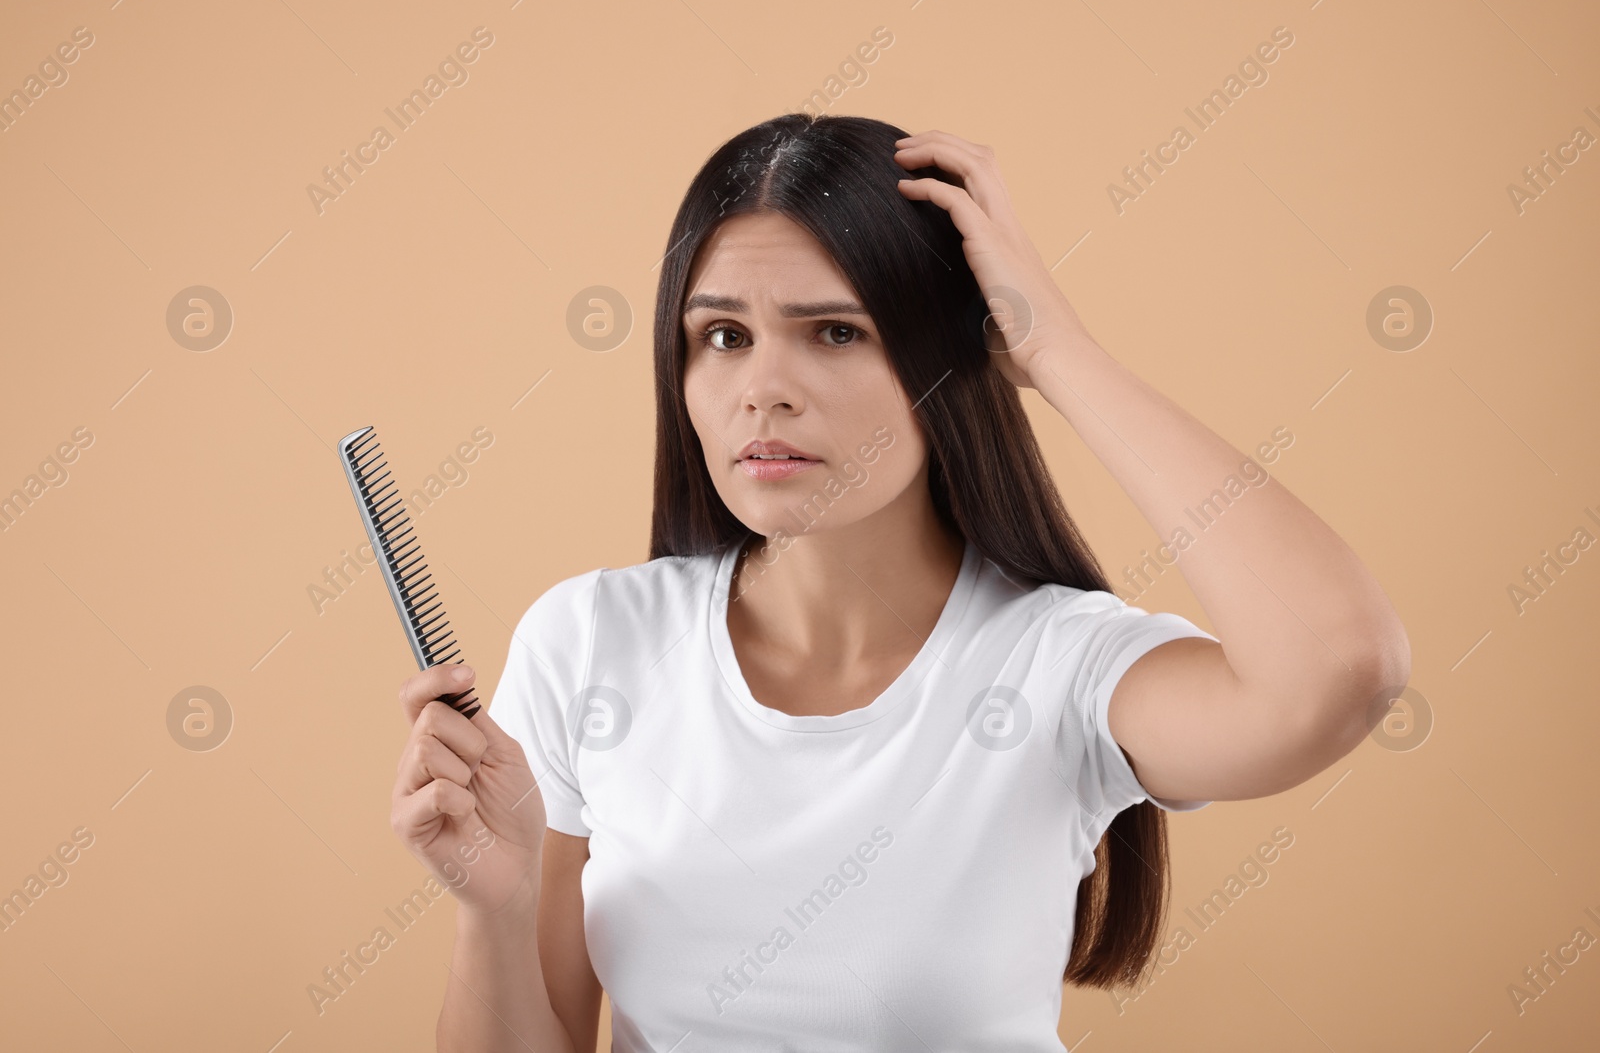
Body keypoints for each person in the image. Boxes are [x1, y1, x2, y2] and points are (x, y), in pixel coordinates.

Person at [391, 114, 1411, 1052]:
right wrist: (494, 904)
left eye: (836, 331)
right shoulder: (591, 642)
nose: (763, 388)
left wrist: (1054, 346)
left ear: (944, 359)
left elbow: (1339, 669)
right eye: (722, 336)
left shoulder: (1056, 663)